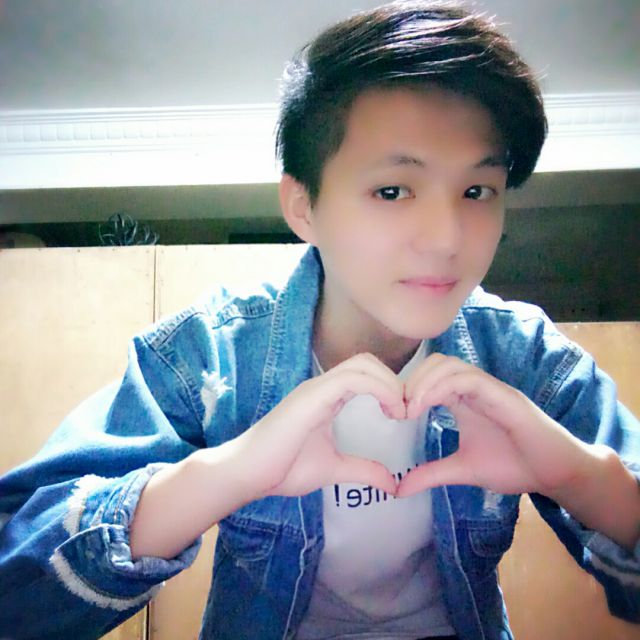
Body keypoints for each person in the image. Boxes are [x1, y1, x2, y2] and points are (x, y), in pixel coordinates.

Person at [1, 2, 639, 639]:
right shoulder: (209, 356)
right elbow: (16, 585)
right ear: (303, 205)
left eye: (477, 191)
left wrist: (581, 479)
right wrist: (228, 474)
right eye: (393, 191)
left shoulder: (525, 359)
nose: (447, 239)